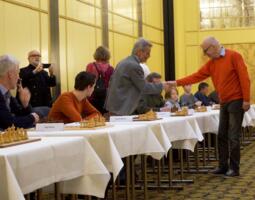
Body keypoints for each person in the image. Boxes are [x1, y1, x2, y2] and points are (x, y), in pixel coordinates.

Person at [169, 36, 251, 177]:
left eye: (205, 50)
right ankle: (223, 166)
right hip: (224, 102)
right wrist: (176, 83)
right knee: (221, 135)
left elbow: (244, 78)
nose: (204, 54)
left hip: (236, 100)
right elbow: (196, 76)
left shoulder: (234, 56)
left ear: (213, 47)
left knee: (233, 136)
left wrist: (246, 100)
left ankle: (234, 168)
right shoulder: (212, 63)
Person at [105, 38, 170, 115]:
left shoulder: (123, 62)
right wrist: (161, 86)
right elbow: (144, 87)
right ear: (139, 52)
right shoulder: (134, 66)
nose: (149, 56)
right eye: (147, 53)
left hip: (115, 106)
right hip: (122, 108)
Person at [0, 54, 40, 130]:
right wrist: (32, 118)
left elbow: (19, 116)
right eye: (18, 73)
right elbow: (9, 123)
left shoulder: (6, 93)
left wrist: (25, 104)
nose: (19, 77)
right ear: (10, 74)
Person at [86, 46, 114, 114]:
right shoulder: (111, 69)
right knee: (104, 119)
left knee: (93, 117)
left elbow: (86, 81)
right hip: (106, 98)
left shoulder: (90, 66)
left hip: (92, 97)